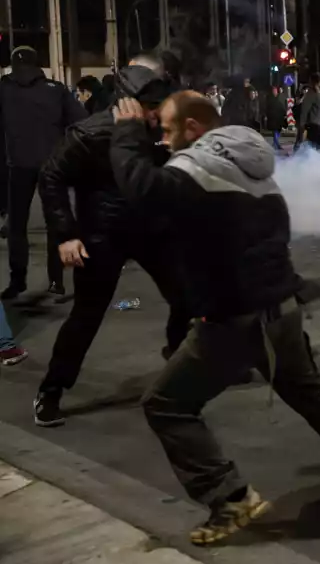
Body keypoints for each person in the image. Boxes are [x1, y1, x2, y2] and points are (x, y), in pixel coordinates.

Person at [109, 90, 320, 546]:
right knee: (305, 386)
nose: (163, 137)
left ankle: (231, 496)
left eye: (168, 128)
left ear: (195, 128)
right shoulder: (251, 167)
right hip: (280, 307)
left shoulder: (195, 170)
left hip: (232, 316)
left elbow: (142, 190)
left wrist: (125, 135)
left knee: (166, 404)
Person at [33, 56, 194, 427]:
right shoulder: (89, 134)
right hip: (101, 235)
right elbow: (51, 177)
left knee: (187, 297)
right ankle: (52, 390)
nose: (158, 114)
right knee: (85, 317)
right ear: (127, 102)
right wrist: (67, 235)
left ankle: (179, 356)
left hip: (152, 231)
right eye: (152, 107)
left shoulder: (161, 129)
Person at [0, 46, 88, 299]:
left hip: (17, 165)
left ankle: (17, 281)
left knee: (17, 225)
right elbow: (80, 121)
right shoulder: (56, 90)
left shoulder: (4, 89)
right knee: (55, 224)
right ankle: (56, 281)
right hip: (52, 166)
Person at [299, 73, 320, 153]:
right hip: (312, 124)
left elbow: (316, 107)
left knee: (316, 146)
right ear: (318, 82)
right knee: (318, 147)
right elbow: (305, 109)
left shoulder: (317, 92)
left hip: (316, 123)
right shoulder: (312, 93)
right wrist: (302, 124)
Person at [264, 86, 286, 151]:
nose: (274, 92)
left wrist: (284, 114)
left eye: (275, 90)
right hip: (272, 117)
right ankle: (277, 144)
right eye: (273, 91)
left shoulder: (280, 97)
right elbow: (267, 107)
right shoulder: (269, 98)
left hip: (279, 117)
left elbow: (283, 105)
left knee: (278, 130)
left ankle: (275, 143)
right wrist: (266, 115)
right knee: (274, 131)